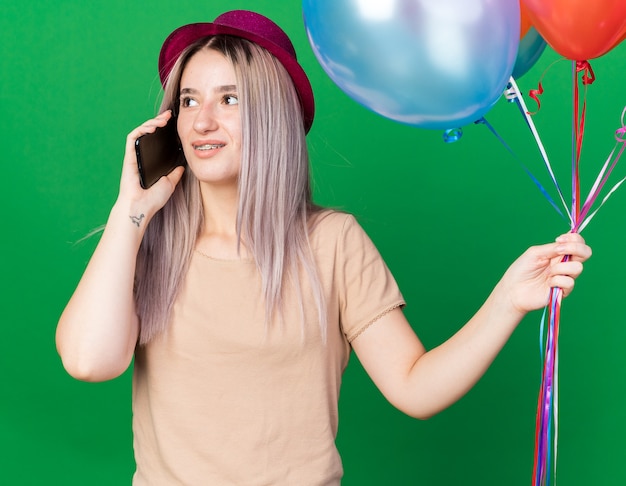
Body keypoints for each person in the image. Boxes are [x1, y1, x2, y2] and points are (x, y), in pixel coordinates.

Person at [55, 9, 592, 486]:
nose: (202, 121)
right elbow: (87, 361)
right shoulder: (143, 242)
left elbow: (414, 387)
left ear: (272, 118)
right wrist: (132, 210)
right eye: (189, 99)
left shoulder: (332, 242)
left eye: (230, 99)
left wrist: (507, 300)